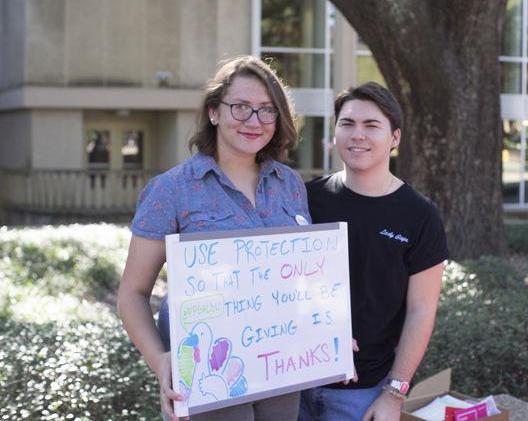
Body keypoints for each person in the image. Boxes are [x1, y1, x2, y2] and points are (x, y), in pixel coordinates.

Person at [117, 56, 310, 421]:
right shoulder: (171, 190)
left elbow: (303, 277)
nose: (254, 121)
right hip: (208, 374)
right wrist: (161, 361)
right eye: (240, 107)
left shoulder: (291, 186)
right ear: (214, 112)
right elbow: (132, 294)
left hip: (283, 369)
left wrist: (324, 329)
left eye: (267, 110)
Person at [299, 82, 449, 421]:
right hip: (291, 384)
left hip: (362, 394)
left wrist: (394, 394)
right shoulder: (306, 200)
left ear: (395, 138)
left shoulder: (419, 215)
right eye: (347, 123)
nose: (357, 135)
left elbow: (422, 311)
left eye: (372, 125)